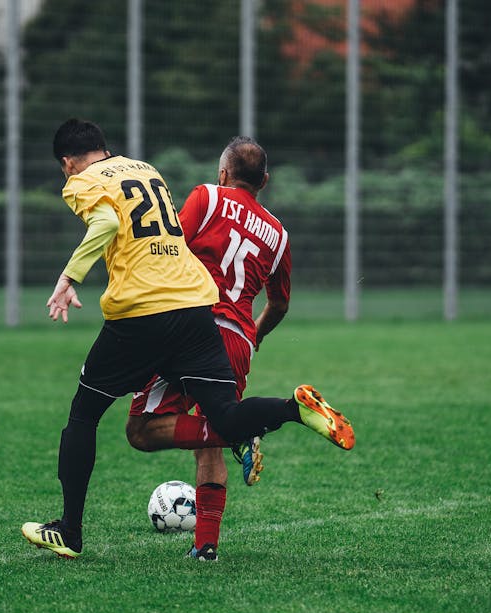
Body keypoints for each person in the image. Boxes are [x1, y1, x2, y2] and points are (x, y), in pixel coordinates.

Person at [21, 119, 354, 560]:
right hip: (202, 313)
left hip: (146, 312)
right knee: (227, 419)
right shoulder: (147, 171)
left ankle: (70, 531)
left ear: (67, 163)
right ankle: (291, 411)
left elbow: (120, 225)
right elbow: (274, 299)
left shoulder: (107, 184)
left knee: (90, 417)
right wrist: (253, 336)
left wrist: (70, 276)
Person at [125, 136, 291, 562]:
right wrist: (254, 335)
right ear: (265, 181)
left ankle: (234, 429)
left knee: (141, 431)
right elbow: (280, 302)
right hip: (237, 341)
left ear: (223, 173)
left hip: (188, 325)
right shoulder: (277, 233)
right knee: (209, 439)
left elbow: (169, 245)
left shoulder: (208, 196)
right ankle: (206, 546)